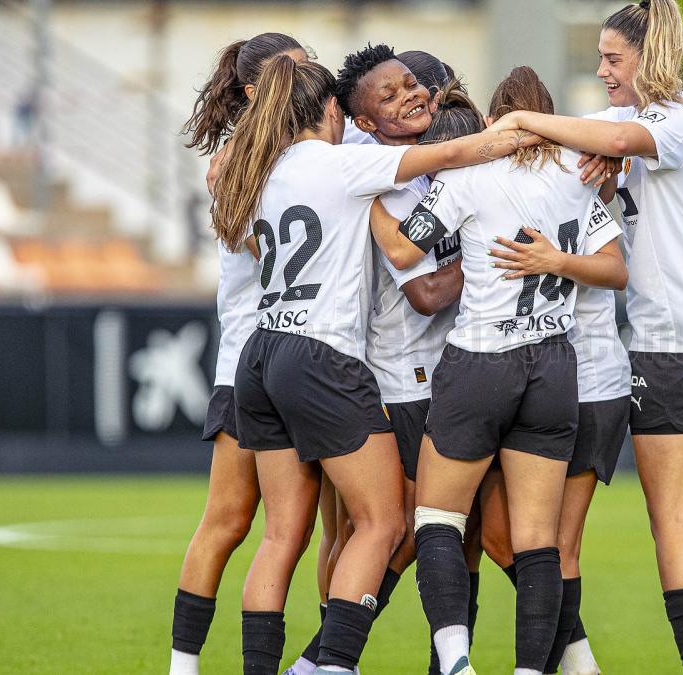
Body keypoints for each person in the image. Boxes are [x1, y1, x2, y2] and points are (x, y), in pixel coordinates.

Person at [211, 54, 541, 675]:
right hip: (331, 357)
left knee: (287, 536)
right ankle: (331, 665)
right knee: (385, 524)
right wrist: (527, 132)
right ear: (338, 113)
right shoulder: (347, 164)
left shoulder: (265, 167)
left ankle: (294, 666)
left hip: (262, 352)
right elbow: (446, 160)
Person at [486, 2, 683, 673]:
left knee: (674, 519)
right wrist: (607, 168)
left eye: (613, 59)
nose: (601, 70)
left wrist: (524, 118)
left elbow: (615, 140)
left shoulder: (678, 116)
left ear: (648, 59)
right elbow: (610, 145)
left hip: (677, 342)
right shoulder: (645, 124)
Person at [370, 67, 627, 675]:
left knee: (437, 519)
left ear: (493, 120)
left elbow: (406, 251)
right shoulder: (577, 175)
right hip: (554, 365)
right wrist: (560, 260)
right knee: (539, 540)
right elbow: (616, 269)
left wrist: (368, 203)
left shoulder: (471, 176)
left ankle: (456, 661)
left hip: (481, 360)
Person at [286, 45, 479, 675]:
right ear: (363, 122)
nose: (409, 97)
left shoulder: (407, 164)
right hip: (404, 371)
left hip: (431, 367)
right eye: (389, 96)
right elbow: (423, 291)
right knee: (410, 531)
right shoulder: (378, 167)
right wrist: (489, 261)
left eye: (412, 85)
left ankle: (329, 659)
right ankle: (328, 659)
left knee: (419, 532)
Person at [169, 33, 312, 675]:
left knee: (308, 527)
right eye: (295, 75)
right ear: (256, 90)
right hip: (262, 363)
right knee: (241, 524)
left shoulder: (305, 151)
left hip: (290, 362)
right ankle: (189, 664)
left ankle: (324, 658)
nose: (310, 86)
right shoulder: (238, 163)